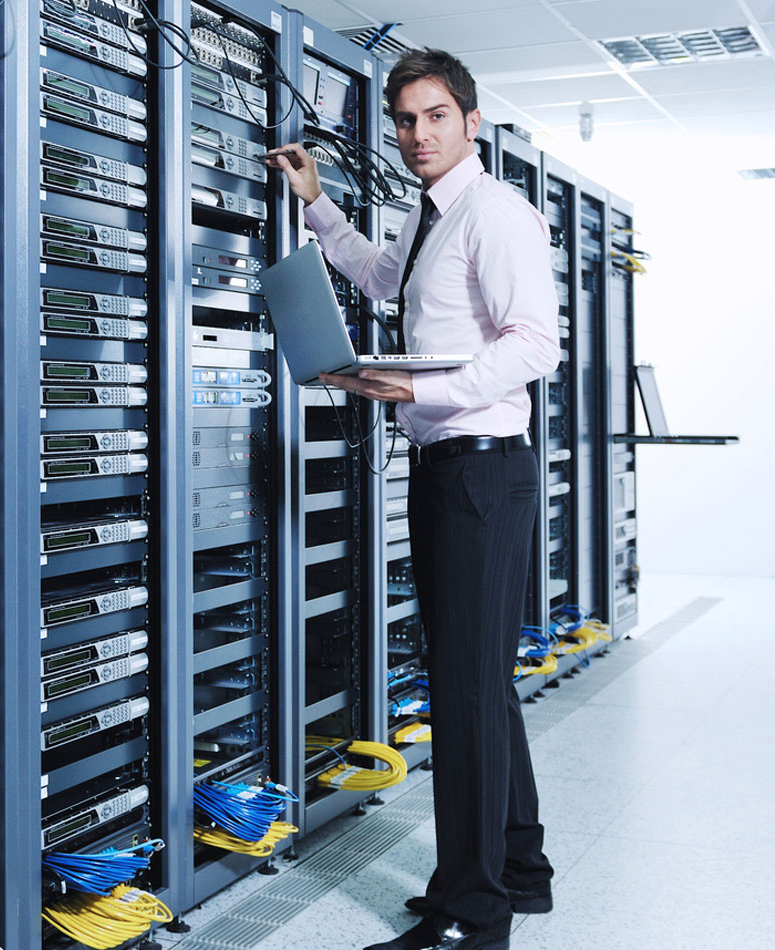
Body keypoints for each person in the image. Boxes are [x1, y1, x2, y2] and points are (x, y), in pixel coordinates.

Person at [264, 48, 560, 950]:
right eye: (404, 119)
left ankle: (474, 912)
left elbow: (535, 344)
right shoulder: (434, 218)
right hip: (456, 468)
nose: (417, 133)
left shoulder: (498, 213)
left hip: (477, 467)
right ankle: (522, 869)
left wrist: (416, 392)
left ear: (470, 122)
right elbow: (384, 278)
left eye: (435, 116)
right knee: (482, 685)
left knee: (465, 696)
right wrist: (315, 203)